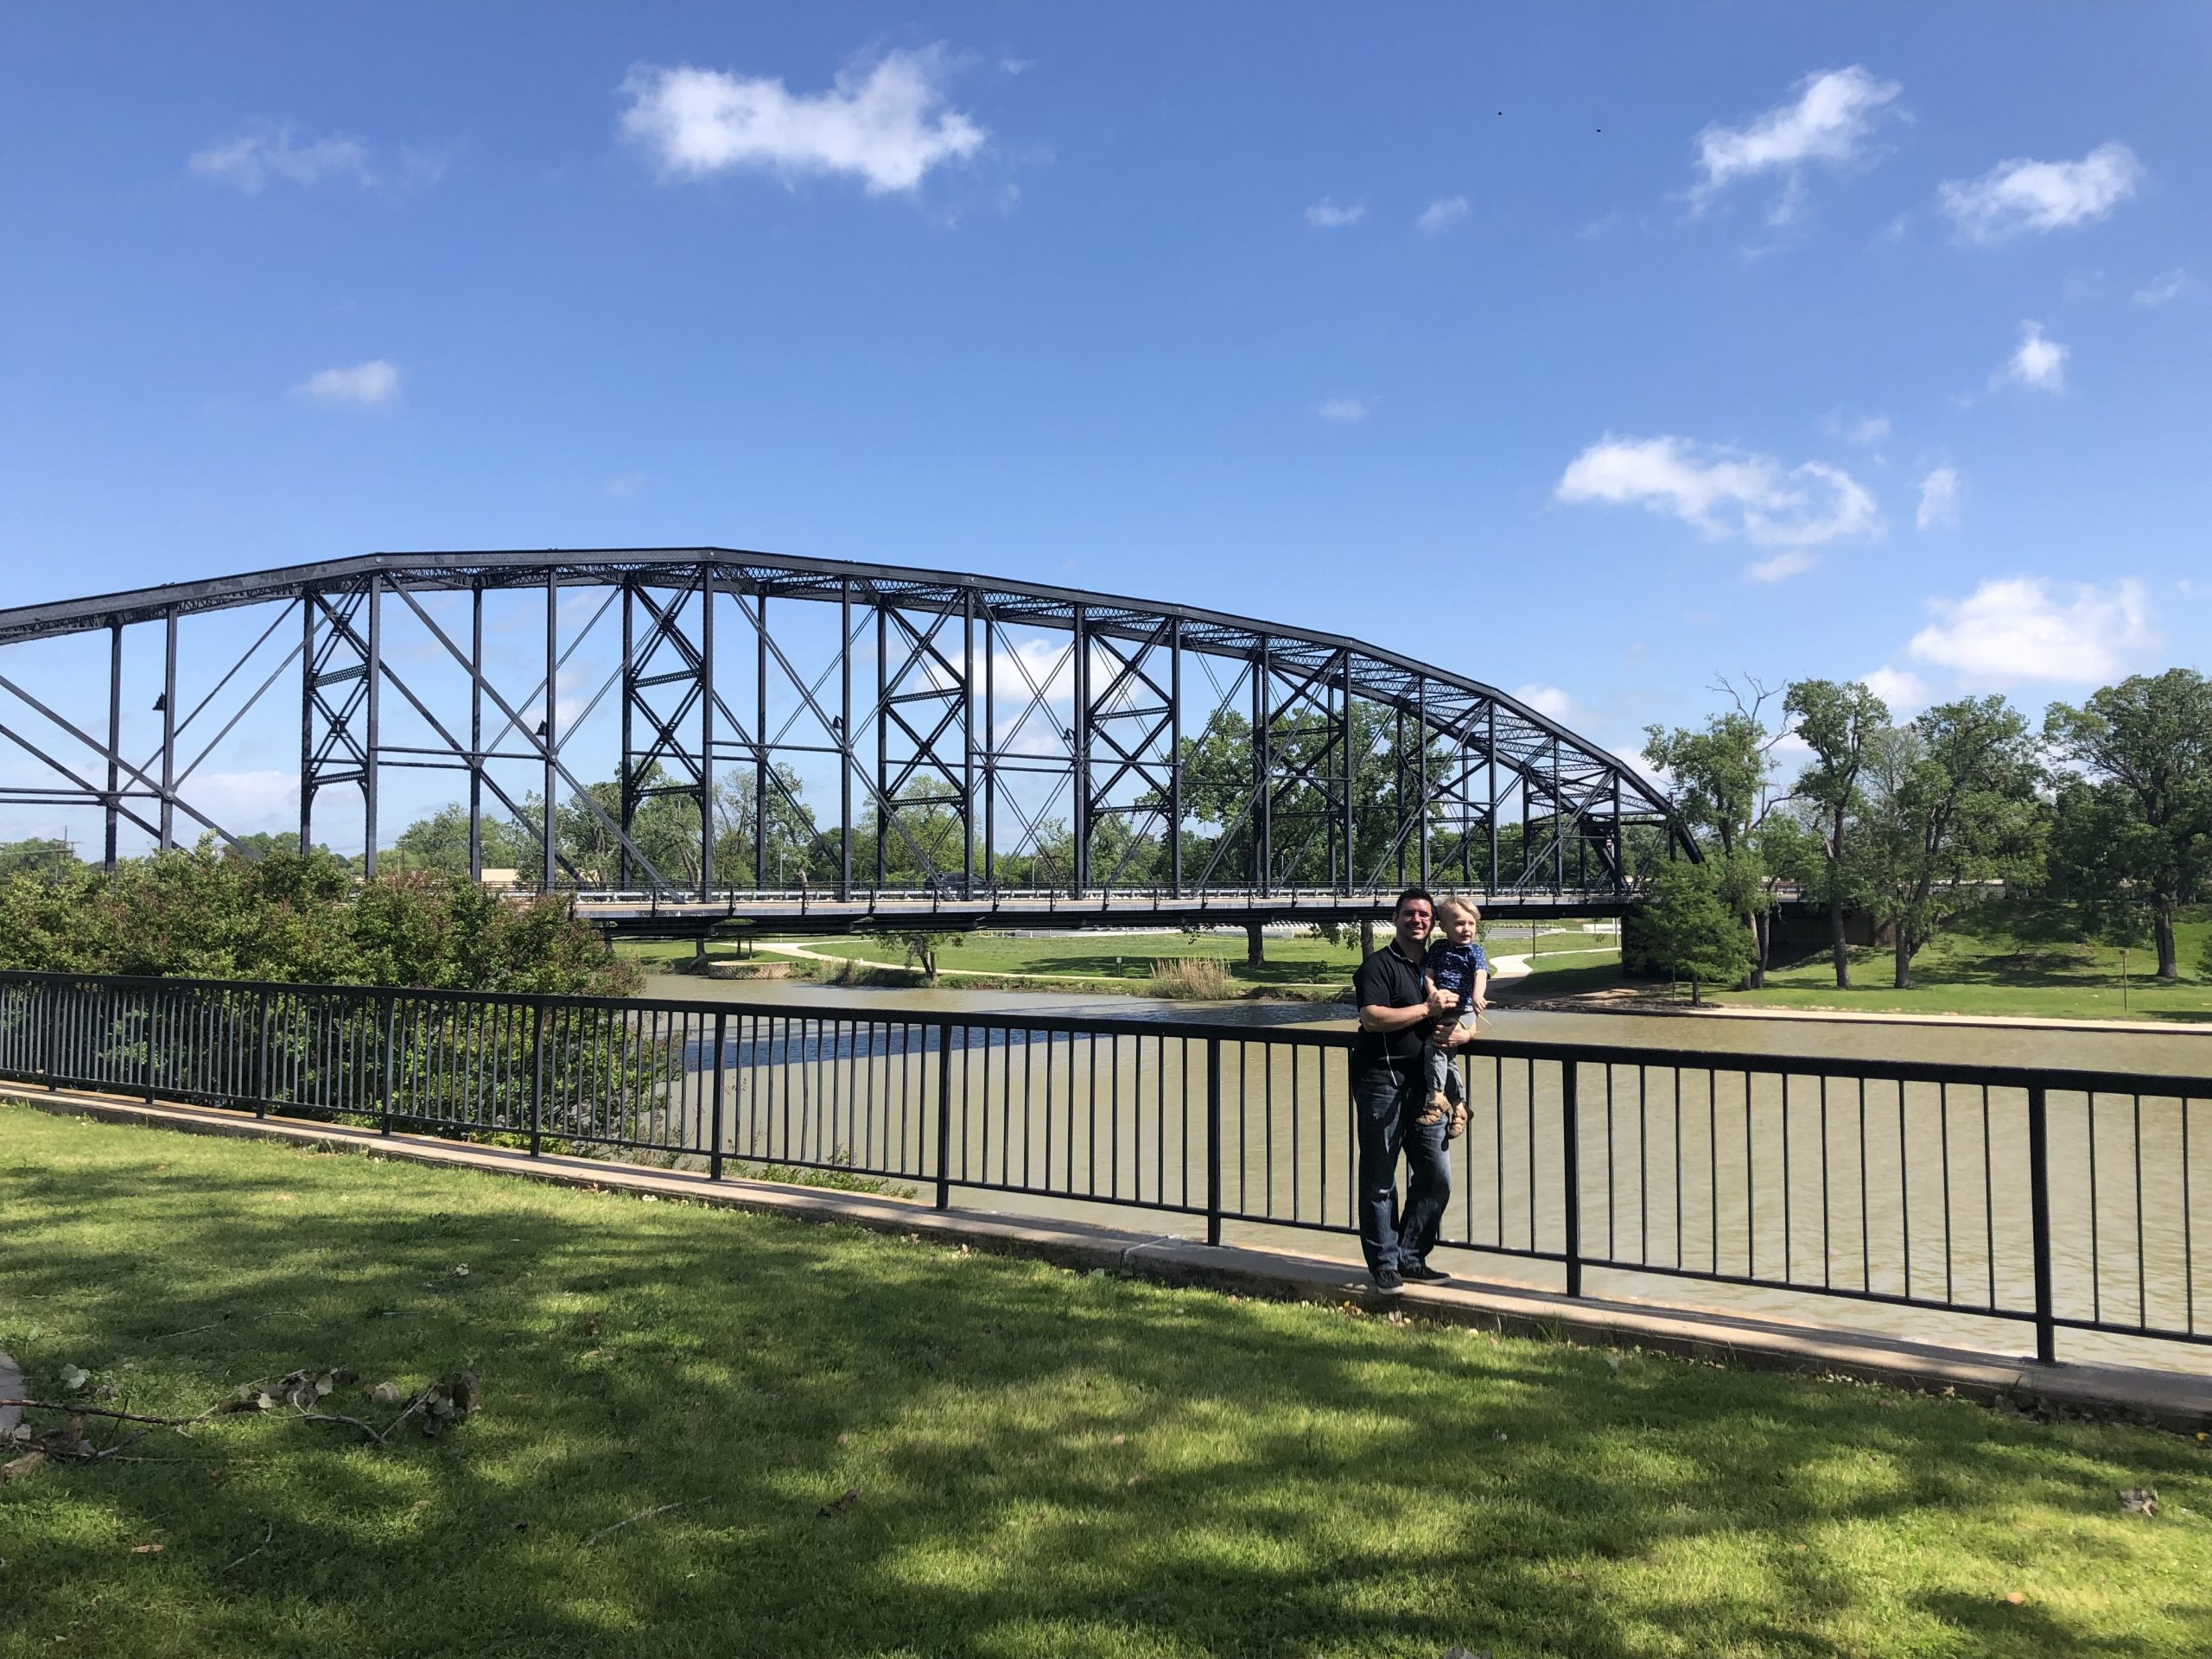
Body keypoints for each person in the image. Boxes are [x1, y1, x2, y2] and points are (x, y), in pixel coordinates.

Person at [1350, 887, 1473, 1294]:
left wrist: (1464, 1034)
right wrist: (1426, 1009)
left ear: (1434, 922)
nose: (1417, 920)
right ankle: (1384, 1265)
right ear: (1396, 918)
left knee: (1437, 1176)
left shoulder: (1444, 963)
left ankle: (1410, 1256)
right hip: (1382, 1081)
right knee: (1380, 1179)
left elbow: (1469, 1012)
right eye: (1409, 914)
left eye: (1424, 915)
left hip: (1428, 1091)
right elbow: (1371, 1018)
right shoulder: (1379, 966)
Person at [1416, 897, 1490, 1140]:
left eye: (1471, 923)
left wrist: (1478, 995)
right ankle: (1459, 1108)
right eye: (1459, 923)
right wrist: (1433, 993)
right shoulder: (1438, 948)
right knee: (1446, 1057)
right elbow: (1428, 975)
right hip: (1442, 1009)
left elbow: (1480, 974)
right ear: (1444, 927)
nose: (1466, 929)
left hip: (1465, 1008)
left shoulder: (1475, 951)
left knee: (1435, 1044)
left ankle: (1437, 1096)